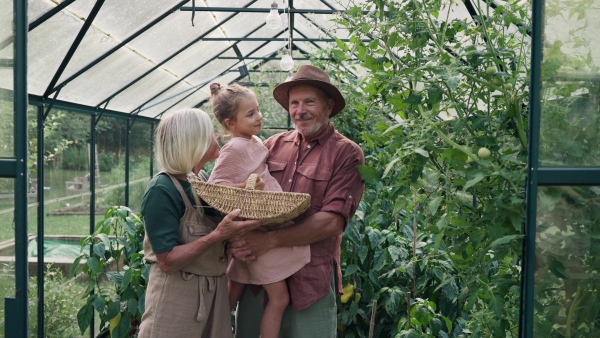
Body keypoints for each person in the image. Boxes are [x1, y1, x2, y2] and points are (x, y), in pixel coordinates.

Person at [228, 65, 365, 337]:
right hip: (261, 276)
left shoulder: (346, 154)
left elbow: (332, 222)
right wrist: (238, 239)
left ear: (328, 106)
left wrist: (269, 240)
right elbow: (242, 195)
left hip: (310, 279)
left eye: (309, 102)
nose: (300, 110)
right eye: (294, 103)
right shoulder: (270, 145)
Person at [137, 108, 262, 338]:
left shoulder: (200, 180)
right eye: (209, 133)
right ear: (192, 141)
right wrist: (218, 236)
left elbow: (210, 237)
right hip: (177, 300)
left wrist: (232, 245)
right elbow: (167, 261)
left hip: (214, 297)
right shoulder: (162, 190)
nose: (216, 136)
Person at [207, 82, 311, 338]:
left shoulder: (251, 141)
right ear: (230, 123)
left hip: (254, 227)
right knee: (279, 298)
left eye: (258, 110)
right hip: (253, 231)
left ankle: (212, 332)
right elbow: (215, 188)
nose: (259, 116)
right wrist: (246, 186)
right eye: (250, 114)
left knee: (235, 290)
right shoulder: (234, 148)